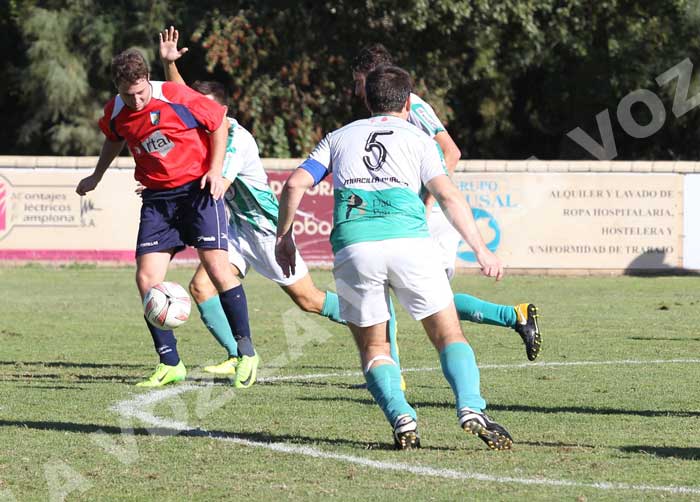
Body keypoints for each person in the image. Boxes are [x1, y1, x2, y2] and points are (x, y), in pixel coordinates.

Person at [275, 65, 513, 450]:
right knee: (448, 334)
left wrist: (284, 237)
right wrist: (481, 249)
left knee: (375, 348)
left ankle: (402, 415)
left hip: (355, 248)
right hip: (410, 245)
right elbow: (448, 195)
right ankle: (470, 406)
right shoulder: (420, 139)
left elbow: (294, 184)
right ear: (407, 103)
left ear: (368, 100)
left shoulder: (338, 137)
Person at [156, 26, 401, 382]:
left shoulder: (236, 139)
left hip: (265, 230)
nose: (197, 112)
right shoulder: (202, 133)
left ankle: (371, 314)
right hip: (238, 228)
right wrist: (169, 65)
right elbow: (182, 98)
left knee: (308, 299)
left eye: (204, 108)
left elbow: (217, 185)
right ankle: (239, 355)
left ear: (221, 110)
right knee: (201, 287)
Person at [75, 48, 259, 388]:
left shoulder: (174, 95)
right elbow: (114, 138)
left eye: (140, 92)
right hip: (157, 200)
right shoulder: (115, 110)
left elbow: (218, 123)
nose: (135, 101)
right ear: (117, 87)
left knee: (217, 269)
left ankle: (246, 352)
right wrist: (96, 175)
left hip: (198, 191)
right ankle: (170, 363)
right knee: (146, 279)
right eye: (127, 95)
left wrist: (215, 170)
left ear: (148, 79)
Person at [352, 44, 542, 361]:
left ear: (374, 75)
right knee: (395, 290)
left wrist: (426, 203)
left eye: (358, 81)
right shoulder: (382, 115)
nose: (357, 90)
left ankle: (513, 317)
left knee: (434, 301)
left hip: (430, 214)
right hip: (408, 214)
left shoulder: (412, 105)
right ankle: (388, 368)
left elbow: (450, 151)